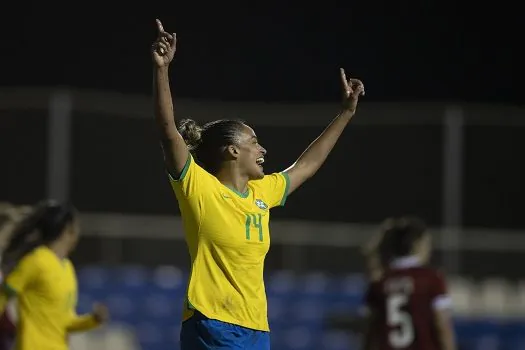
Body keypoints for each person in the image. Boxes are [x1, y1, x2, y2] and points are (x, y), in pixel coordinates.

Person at [152, 19, 365, 350]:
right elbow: (168, 133)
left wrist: (345, 114)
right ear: (233, 150)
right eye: (254, 142)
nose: (263, 150)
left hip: (256, 329)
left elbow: (306, 165)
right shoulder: (200, 188)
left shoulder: (261, 192)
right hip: (211, 323)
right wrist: (162, 70)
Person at [0, 200, 109, 350]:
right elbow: (4, 295)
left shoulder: (67, 268)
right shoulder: (36, 261)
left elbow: (66, 322)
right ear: (67, 230)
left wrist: (93, 320)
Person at [361, 217, 456, 350]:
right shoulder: (431, 279)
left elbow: (371, 330)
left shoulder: (380, 283)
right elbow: (441, 325)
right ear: (417, 244)